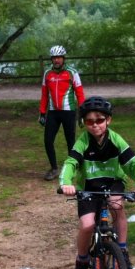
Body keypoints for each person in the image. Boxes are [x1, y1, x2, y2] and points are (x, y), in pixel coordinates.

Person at [59, 96, 135, 269]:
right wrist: (66, 182)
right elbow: (71, 163)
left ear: (108, 120)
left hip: (113, 183)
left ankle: (122, 250)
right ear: (84, 123)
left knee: (117, 206)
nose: (95, 125)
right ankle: (82, 260)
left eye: (99, 120)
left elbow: (134, 163)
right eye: (89, 121)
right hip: (89, 188)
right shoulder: (83, 142)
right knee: (87, 225)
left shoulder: (116, 140)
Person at [39, 45, 85, 181]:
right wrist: (42, 113)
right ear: (52, 59)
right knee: (48, 141)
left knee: (70, 142)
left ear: (63, 58)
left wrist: (82, 113)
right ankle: (54, 169)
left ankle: (72, 169)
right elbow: (44, 95)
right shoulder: (47, 74)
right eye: (54, 58)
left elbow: (80, 93)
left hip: (68, 111)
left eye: (59, 57)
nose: (56, 60)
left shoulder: (72, 72)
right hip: (53, 112)